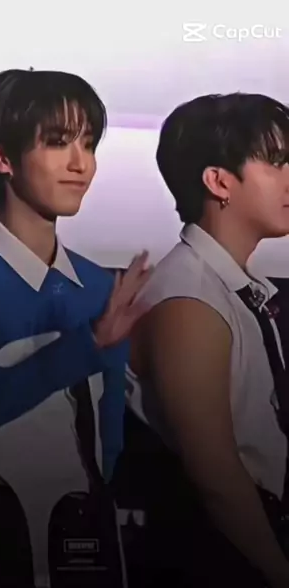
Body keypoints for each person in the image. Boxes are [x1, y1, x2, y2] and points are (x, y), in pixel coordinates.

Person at [0, 68, 151, 587]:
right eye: (59, 142)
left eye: (89, 143)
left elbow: (112, 434)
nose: (81, 163)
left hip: (91, 541)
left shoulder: (98, 285)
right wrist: (87, 344)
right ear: (2, 158)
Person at [118, 92, 289, 587]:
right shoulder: (188, 299)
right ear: (218, 181)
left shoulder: (228, 287)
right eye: (276, 163)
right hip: (216, 556)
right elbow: (215, 474)